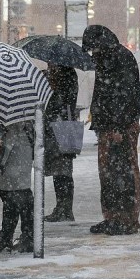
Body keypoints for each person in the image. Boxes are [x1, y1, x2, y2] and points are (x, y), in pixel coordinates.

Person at [82, 25, 140, 236]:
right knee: (108, 175)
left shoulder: (120, 57)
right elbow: (104, 93)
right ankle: (112, 217)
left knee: (124, 173)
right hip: (108, 126)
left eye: (93, 49)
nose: (92, 53)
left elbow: (126, 95)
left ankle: (126, 220)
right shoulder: (105, 58)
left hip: (121, 127)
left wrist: (118, 126)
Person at [0, 121, 35, 253]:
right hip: (6, 143)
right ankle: (9, 236)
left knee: (19, 192)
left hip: (17, 144)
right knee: (9, 193)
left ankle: (27, 236)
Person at [43, 64, 79, 222]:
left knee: (63, 171)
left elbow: (59, 102)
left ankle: (64, 208)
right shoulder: (62, 77)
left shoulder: (66, 78)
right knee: (60, 171)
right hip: (60, 127)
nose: (49, 65)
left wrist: (51, 83)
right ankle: (62, 207)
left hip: (63, 127)